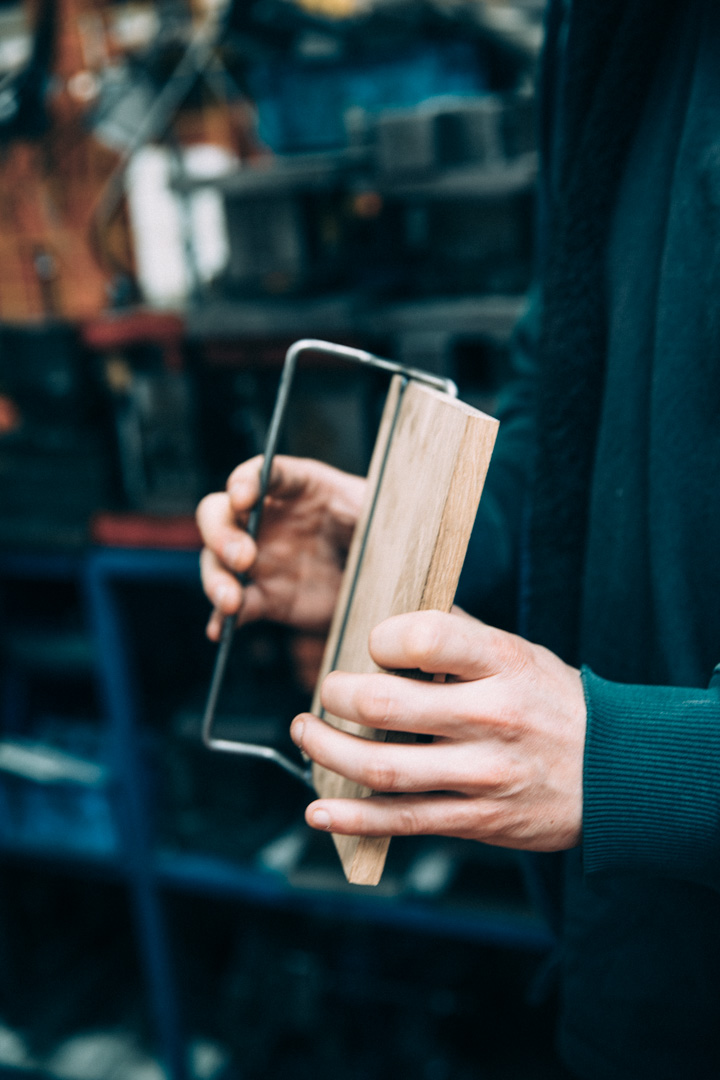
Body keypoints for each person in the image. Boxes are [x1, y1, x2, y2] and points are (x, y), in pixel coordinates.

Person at [197, 1, 720, 1076]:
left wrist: (644, 767)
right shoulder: (618, 27)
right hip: (639, 968)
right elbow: (570, 391)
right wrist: (420, 542)